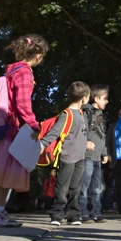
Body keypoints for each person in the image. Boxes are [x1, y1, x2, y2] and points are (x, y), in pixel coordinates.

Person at [0, 34, 49, 227]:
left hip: (3, 126)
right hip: (14, 129)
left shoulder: (12, 70)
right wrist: (35, 126)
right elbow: (23, 104)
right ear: (37, 55)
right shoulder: (25, 73)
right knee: (6, 174)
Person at [39, 81, 89, 226]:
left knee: (75, 187)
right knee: (62, 187)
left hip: (80, 156)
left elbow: (79, 134)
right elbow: (55, 131)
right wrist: (43, 143)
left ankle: (74, 215)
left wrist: (87, 143)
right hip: (67, 157)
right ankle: (57, 214)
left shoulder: (81, 114)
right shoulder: (67, 115)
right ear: (84, 98)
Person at [79, 84, 110, 223]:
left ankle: (96, 212)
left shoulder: (101, 115)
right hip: (87, 156)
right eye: (105, 98)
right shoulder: (86, 113)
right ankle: (82, 212)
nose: (107, 101)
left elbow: (102, 135)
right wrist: (85, 142)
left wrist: (104, 152)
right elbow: (82, 131)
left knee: (97, 187)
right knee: (84, 185)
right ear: (96, 99)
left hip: (97, 156)